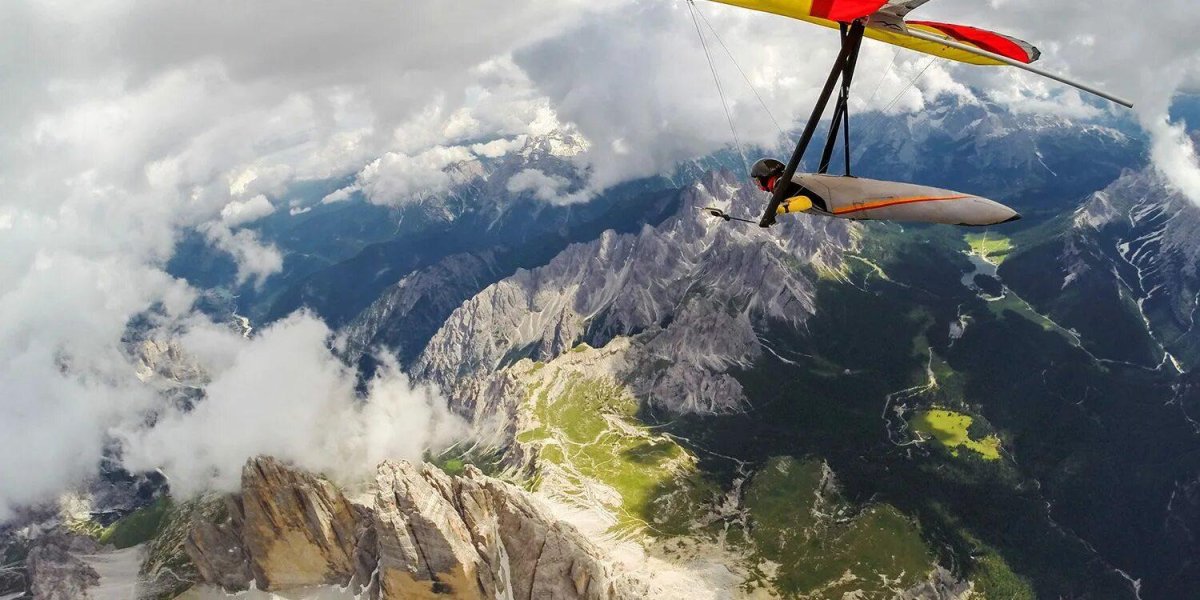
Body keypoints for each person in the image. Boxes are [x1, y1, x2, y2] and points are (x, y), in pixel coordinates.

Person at [748, 158, 816, 215]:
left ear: (764, 178)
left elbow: (807, 202)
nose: (757, 183)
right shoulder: (783, 179)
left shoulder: (781, 185)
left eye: (757, 180)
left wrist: (781, 209)